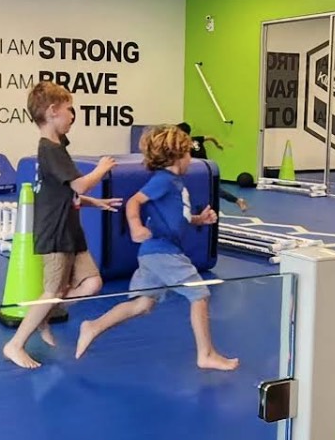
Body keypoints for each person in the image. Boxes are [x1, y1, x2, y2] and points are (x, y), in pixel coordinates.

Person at [74, 125, 238, 371]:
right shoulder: (163, 180)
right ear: (175, 157)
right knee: (200, 294)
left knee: (142, 304)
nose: (190, 159)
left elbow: (176, 218)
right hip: (162, 251)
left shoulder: (175, 182)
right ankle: (206, 354)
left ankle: (93, 326)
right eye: (187, 154)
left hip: (155, 253)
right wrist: (135, 227)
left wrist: (198, 220)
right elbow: (134, 202)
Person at [3, 82, 122, 369]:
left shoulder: (58, 148)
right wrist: (102, 169)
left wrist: (96, 203)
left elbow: (65, 191)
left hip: (71, 228)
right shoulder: (50, 149)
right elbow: (80, 183)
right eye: (70, 109)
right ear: (53, 111)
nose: (73, 116)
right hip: (56, 231)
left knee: (92, 283)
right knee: (51, 290)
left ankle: (45, 314)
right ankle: (15, 343)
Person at [178, 121, 248, 212]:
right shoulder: (197, 139)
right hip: (205, 168)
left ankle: (238, 200)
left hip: (200, 170)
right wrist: (217, 144)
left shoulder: (184, 144)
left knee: (214, 190)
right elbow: (211, 137)